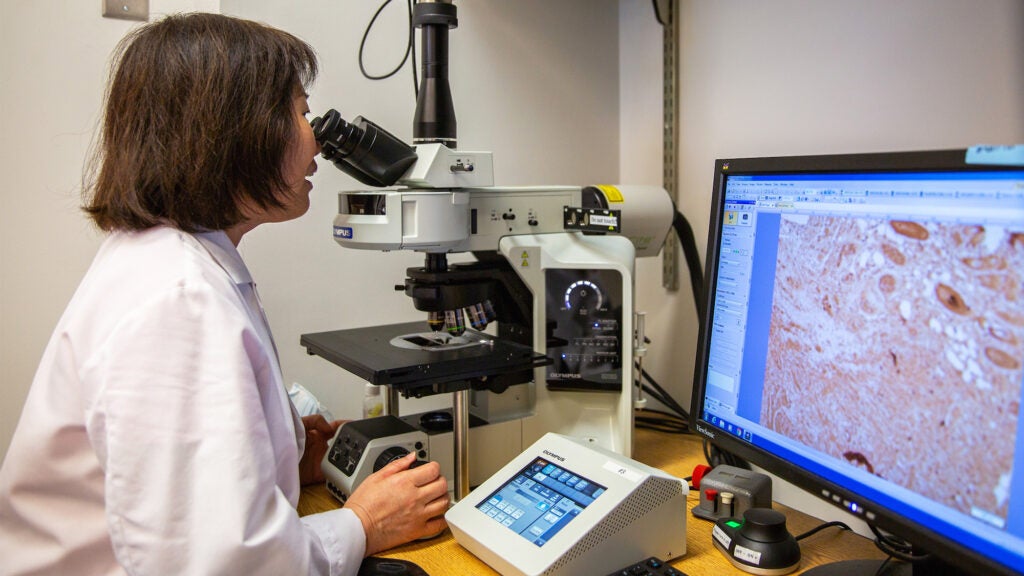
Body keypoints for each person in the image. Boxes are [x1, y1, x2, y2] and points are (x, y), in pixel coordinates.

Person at [0, 12, 448, 576]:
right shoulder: (178, 299)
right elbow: (225, 564)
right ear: (238, 132)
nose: (316, 139)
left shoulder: (173, 261)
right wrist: (364, 523)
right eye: (303, 112)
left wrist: (283, 454)